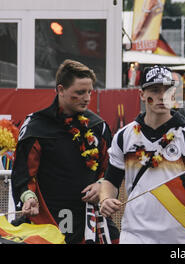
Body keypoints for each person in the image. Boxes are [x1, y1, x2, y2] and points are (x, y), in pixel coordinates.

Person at [98, 65, 185, 243]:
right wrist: (105, 199)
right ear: (141, 95)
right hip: (135, 235)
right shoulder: (124, 136)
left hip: (180, 238)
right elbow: (111, 180)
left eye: (168, 90)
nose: (162, 96)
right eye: (155, 90)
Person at [11, 59, 118, 244]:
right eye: (80, 92)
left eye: (90, 92)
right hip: (47, 220)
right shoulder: (35, 126)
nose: (87, 98)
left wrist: (101, 185)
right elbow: (23, 175)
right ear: (60, 90)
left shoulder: (98, 126)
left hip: (89, 220)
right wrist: (28, 197)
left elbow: (110, 171)